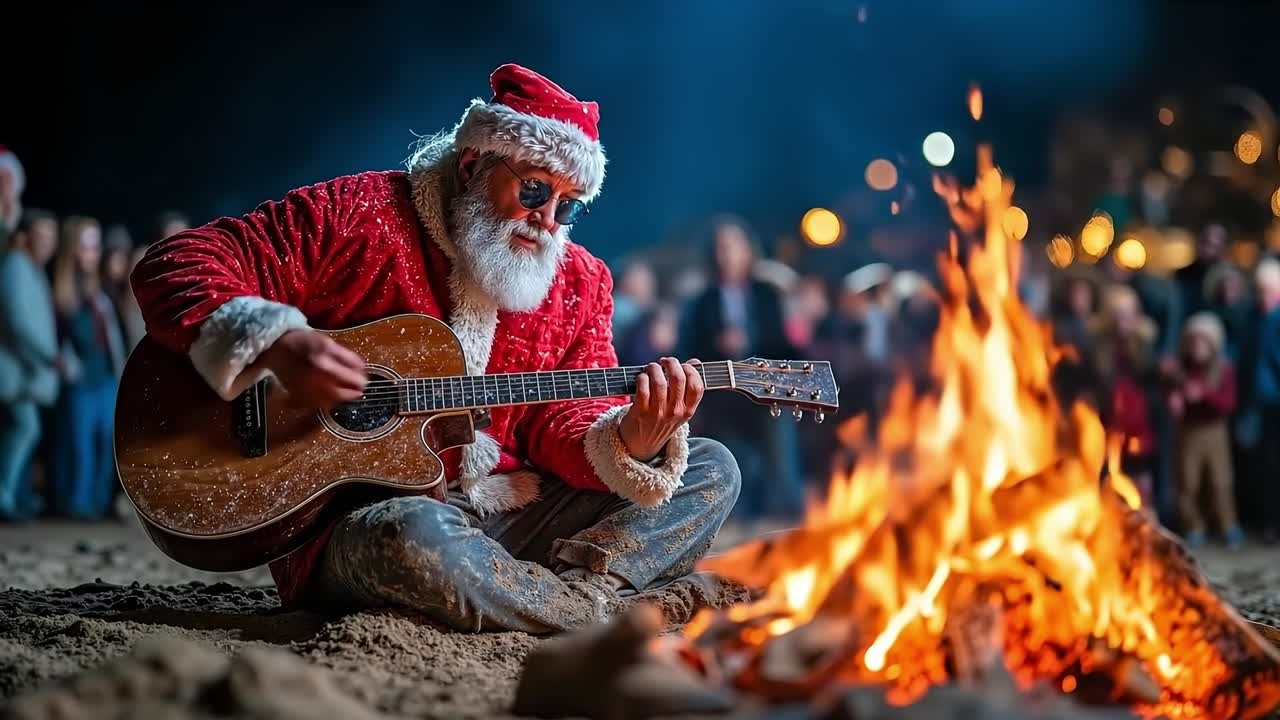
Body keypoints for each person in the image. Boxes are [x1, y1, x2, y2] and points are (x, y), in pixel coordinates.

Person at [130, 64, 741, 633]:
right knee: (411, 534)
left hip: (510, 516)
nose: (548, 219)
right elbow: (180, 261)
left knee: (711, 468)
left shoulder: (581, 281)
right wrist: (278, 343)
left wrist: (632, 437)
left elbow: (561, 419)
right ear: (474, 163)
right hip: (361, 523)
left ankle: (577, 598)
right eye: (533, 191)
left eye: (568, 206)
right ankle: (588, 603)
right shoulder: (358, 214)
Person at [678, 215, 802, 523]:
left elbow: (783, 345)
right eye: (721, 247)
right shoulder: (701, 301)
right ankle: (735, 519)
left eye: (734, 245)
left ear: (748, 250)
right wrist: (718, 346)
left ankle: (789, 515)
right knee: (730, 453)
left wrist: (750, 340)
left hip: (765, 388)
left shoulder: (766, 294)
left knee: (779, 442)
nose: (727, 253)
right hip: (723, 395)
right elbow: (688, 352)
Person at [51, 216, 127, 519]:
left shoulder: (100, 291)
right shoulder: (62, 293)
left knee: (103, 448)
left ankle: (96, 505)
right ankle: (76, 505)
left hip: (106, 378)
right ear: (72, 249)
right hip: (82, 381)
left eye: (95, 246)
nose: (91, 253)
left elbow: (111, 338)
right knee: (79, 447)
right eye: (85, 246)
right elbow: (57, 340)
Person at [0, 208, 61, 521]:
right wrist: (48, 356)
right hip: (14, 367)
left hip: (24, 370)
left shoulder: (31, 269)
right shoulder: (15, 266)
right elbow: (18, 322)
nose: (50, 244)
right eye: (43, 236)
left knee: (24, 428)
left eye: (53, 237)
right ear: (24, 237)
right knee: (25, 427)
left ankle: (13, 496)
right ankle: (5, 496)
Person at [1167, 312, 1242, 549]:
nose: (1197, 346)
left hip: (1215, 430)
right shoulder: (1181, 369)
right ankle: (1193, 526)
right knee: (1188, 482)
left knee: (1221, 481)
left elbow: (1228, 403)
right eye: (1193, 341)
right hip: (1189, 430)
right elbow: (1172, 393)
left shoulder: (1224, 369)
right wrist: (1175, 398)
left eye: (1203, 341)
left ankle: (1227, 525)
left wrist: (1203, 394)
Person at [1252, 258, 1280, 543]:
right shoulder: (1259, 318)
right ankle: (1270, 522)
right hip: (1267, 402)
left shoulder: (1273, 319)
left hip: (1274, 400)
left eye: (1269, 291)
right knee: (1269, 465)